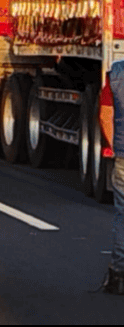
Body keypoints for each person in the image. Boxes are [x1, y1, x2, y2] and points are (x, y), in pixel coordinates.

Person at [98, 64, 124, 294]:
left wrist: (113, 146)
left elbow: (106, 113)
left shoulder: (116, 74)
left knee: (123, 215)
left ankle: (118, 275)